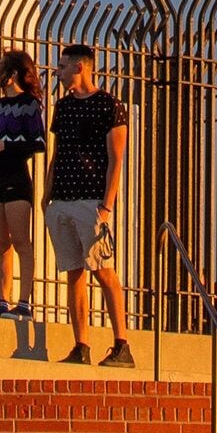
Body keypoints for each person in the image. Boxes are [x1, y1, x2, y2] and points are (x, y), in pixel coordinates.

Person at [42, 43, 134, 367]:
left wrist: (106, 205)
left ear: (80, 67)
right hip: (62, 199)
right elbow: (56, 153)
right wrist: (46, 196)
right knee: (73, 272)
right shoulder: (62, 108)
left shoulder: (109, 105)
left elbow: (117, 157)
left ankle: (122, 343)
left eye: (64, 65)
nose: (59, 70)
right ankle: (81, 345)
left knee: (103, 270)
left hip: (91, 201)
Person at [0, 48, 48, 319]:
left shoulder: (29, 104)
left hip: (17, 178)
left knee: (20, 241)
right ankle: (2, 299)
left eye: (2, 67)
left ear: (14, 73)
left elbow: (37, 143)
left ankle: (24, 302)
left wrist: (4, 145)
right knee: (0, 241)